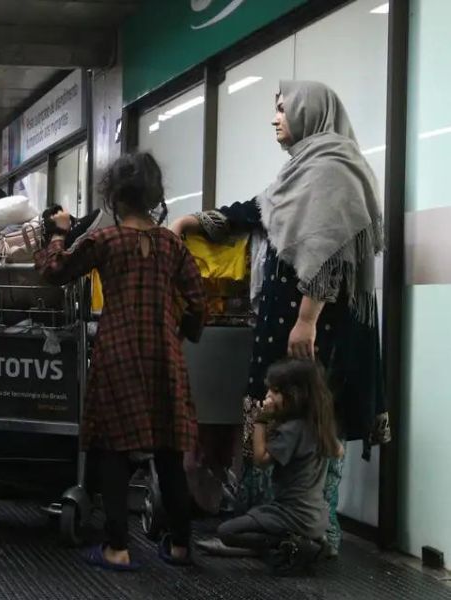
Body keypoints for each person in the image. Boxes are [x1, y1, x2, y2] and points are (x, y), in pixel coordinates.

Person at [171, 81, 388, 555]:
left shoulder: (334, 171)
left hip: (316, 332)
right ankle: (265, 524)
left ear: (310, 113)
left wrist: (307, 317)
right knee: (274, 411)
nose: (275, 119)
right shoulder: (301, 172)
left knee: (307, 418)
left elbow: (330, 250)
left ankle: (309, 532)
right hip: (287, 325)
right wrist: (194, 222)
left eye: (283, 110)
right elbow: (258, 212)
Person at [35, 151, 206, 570]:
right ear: (154, 195)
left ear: (114, 195)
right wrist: (178, 334)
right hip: (165, 357)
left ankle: (118, 548)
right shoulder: (172, 244)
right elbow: (199, 303)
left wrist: (58, 232)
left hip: (117, 354)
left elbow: (53, 272)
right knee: (169, 452)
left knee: (113, 450)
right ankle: (181, 546)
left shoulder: (105, 241)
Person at [210, 359, 341, 575]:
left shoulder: (291, 431)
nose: (268, 396)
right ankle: (301, 543)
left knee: (227, 532)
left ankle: (293, 546)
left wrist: (260, 420)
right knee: (256, 515)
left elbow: (260, 459)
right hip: (316, 516)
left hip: (291, 514)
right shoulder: (319, 425)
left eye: (276, 391)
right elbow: (338, 451)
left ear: (296, 395)